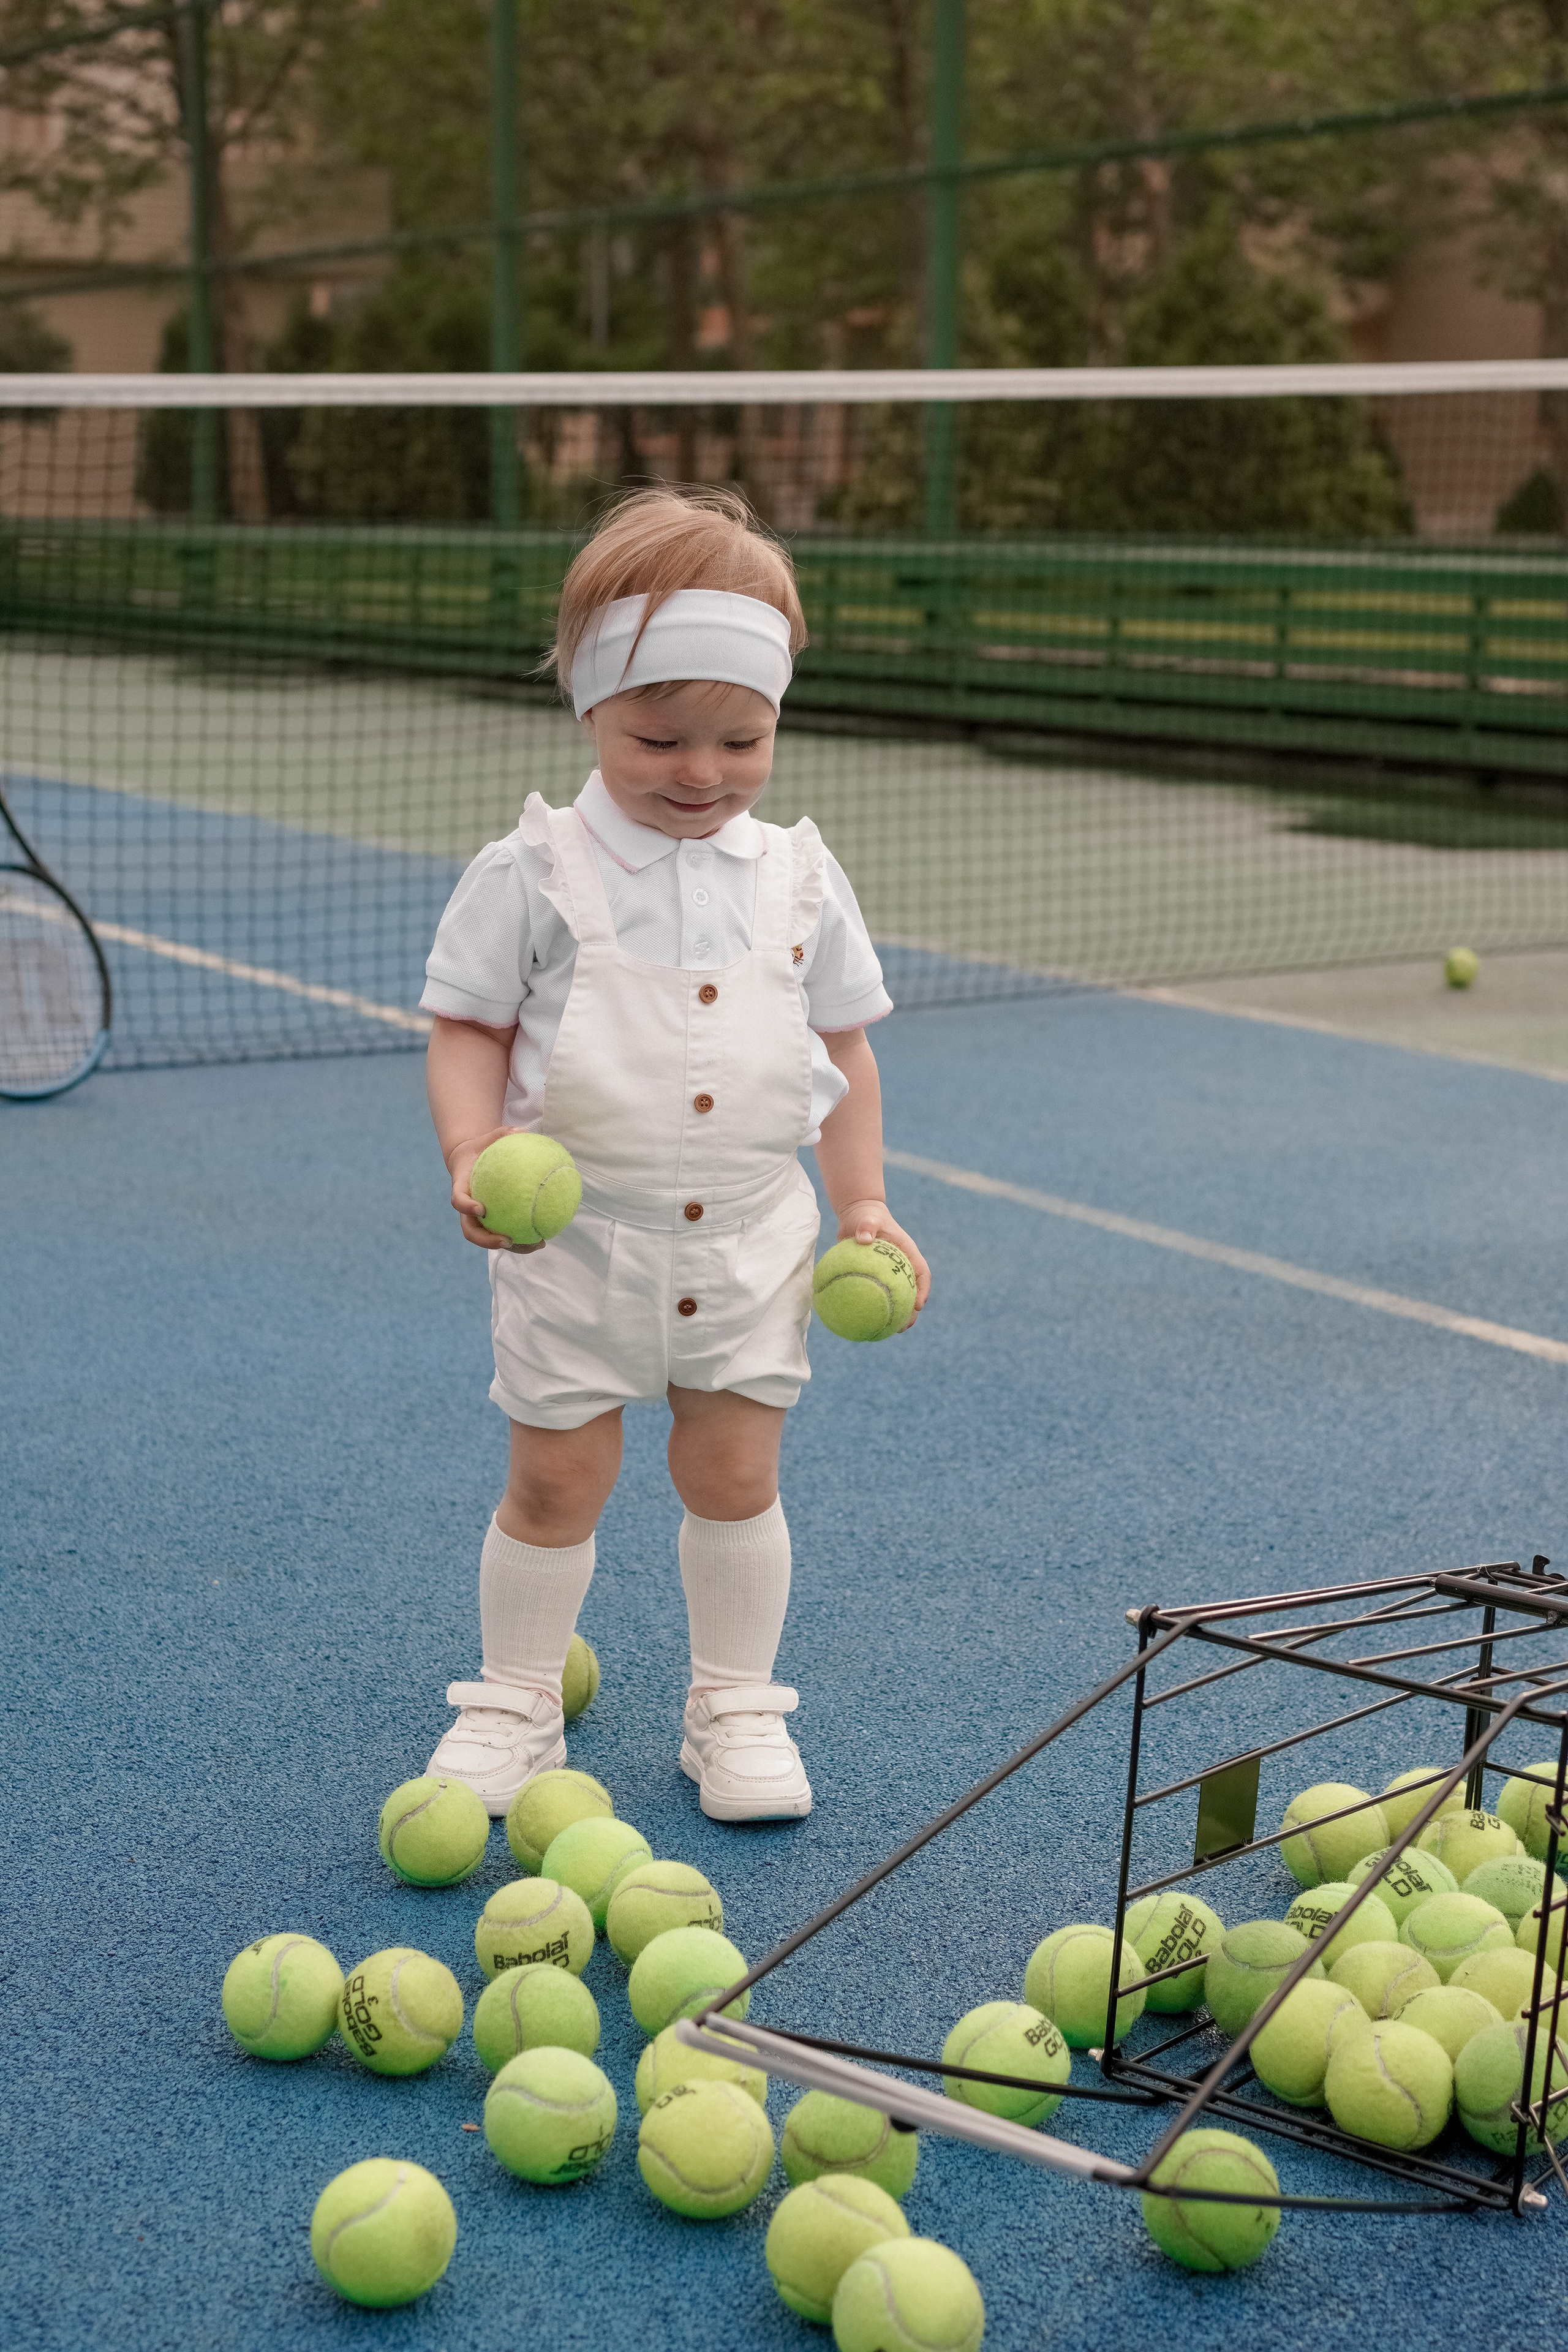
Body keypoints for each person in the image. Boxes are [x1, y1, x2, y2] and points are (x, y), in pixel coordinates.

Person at [418, 485, 929, 1825]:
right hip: (571, 1243)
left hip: (752, 1241)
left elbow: (845, 1051)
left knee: (733, 1474)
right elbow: (464, 1023)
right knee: (554, 1477)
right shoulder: (530, 869)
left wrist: (861, 1201)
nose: (699, 770)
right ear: (589, 708)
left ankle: (734, 1708)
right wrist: (474, 1148)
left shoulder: (802, 879)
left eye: (740, 738)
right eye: (657, 736)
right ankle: (517, 1700)